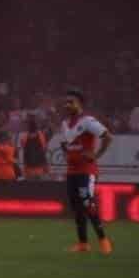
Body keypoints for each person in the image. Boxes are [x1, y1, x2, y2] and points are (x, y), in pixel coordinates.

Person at [57, 89, 114, 254]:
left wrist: (96, 155)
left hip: (86, 171)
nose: (67, 105)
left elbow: (108, 137)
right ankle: (83, 244)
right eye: (66, 102)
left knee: (88, 203)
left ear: (80, 104)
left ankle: (103, 240)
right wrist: (68, 153)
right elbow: (64, 143)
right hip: (71, 172)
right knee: (77, 208)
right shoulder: (64, 124)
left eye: (71, 102)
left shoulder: (88, 121)